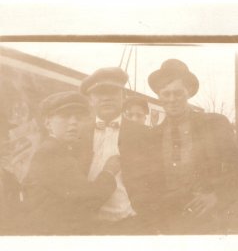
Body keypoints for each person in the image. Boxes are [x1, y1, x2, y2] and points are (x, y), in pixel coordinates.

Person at [147, 59, 238, 234]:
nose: (172, 99)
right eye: (166, 94)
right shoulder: (152, 136)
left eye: (178, 93)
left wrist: (217, 196)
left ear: (188, 93)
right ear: (159, 96)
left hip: (208, 225)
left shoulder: (214, 124)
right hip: (168, 227)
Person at [21, 91, 118, 235]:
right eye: (65, 116)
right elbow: (89, 198)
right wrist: (109, 171)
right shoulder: (51, 153)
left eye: (78, 117)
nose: (73, 122)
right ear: (48, 123)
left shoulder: (61, 149)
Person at [79, 67, 153, 234]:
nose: (106, 97)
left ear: (123, 96)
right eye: (99, 93)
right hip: (86, 225)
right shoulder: (78, 133)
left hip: (131, 224)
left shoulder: (143, 134)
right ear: (91, 99)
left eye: (112, 91)